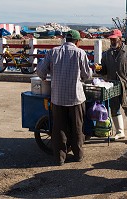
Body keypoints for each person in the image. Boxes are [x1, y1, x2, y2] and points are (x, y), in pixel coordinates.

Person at [37, 29, 93, 166]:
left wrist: (49, 74)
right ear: (77, 41)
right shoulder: (80, 53)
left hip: (57, 98)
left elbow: (40, 72)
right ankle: (78, 155)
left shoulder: (53, 52)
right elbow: (87, 75)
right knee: (77, 127)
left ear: (65, 40)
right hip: (76, 98)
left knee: (58, 128)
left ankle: (59, 158)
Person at [100, 29, 127, 144]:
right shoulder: (107, 54)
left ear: (120, 39)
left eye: (114, 39)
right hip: (112, 86)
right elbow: (104, 69)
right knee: (114, 109)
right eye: (111, 40)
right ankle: (120, 131)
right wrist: (100, 69)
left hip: (126, 85)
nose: (112, 41)